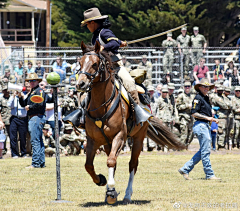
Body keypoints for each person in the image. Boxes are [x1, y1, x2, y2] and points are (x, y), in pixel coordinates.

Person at [81, 7, 145, 116]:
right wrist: (120, 42)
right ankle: (83, 113)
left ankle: (137, 113)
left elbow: (114, 44)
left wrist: (103, 47)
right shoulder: (95, 36)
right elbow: (115, 41)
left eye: (87, 24)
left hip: (115, 67)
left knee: (129, 82)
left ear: (92, 23)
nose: (87, 27)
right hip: (101, 69)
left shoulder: (104, 32)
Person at [178, 78, 221, 180]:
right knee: (205, 151)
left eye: (208, 87)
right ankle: (209, 174)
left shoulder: (206, 98)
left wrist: (211, 117)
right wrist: (208, 118)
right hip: (201, 125)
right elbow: (194, 113)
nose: (206, 88)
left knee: (203, 150)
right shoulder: (198, 98)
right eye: (204, 86)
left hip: (205, 125)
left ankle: (185, 169)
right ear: (200, 87)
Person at [18, 73, 54, 168]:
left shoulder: (39, 91)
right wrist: (20, 97)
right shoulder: (33, 92)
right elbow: (23, 104)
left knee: (35, 141)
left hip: (36, 117)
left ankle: (36, 163)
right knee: (39, 141)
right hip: (35, 117)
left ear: (38, 81)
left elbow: (41, 103)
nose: (31, 82)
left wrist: (30, 107)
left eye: (33, 81)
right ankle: (41, 162)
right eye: (30, 81)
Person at [8, 91, 28, 158]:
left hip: (23, 119)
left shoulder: (25, 96)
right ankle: (14, 153)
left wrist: (22, 96)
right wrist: (13, 96)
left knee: (23, 137)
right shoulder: (13, 97)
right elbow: (9, 104)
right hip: (14, 118)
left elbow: (26, 104)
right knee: (13, 136)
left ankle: (23, 153)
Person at [0, 85, 11, 155]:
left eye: (7, 90)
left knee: (13, 136)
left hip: (12, 120)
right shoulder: (1, 99)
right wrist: (1, 121)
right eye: (4, 90)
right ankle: (3, 151)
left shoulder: (13, 98)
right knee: (3, 137)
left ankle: (14, 151)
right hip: (4, 120)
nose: (6, 91)